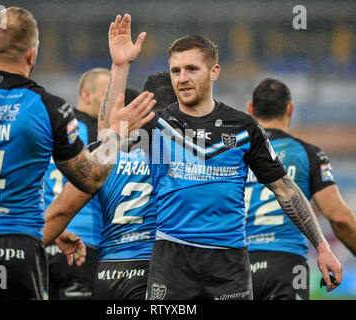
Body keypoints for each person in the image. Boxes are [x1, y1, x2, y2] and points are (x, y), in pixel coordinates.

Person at [98, 13, 343, 300]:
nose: (182, 78)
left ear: (214, 71)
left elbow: (285, 189)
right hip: (172, 263)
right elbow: (106, 138)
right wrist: (120, 65)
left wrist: (322, 247)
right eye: (175, 71)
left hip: (229, 267)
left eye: (191, 69)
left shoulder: (243, 127)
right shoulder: (157, 125)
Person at [0, 7, 155, 300]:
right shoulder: (49, 108)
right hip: (19, 250)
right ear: (32, 54)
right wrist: (116, 137)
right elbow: (91, 178)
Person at [44, 78, 177, 300]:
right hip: (152, 268)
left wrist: (17, 249)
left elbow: (60, 211)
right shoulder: (185, 150)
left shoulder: (104, 151)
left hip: (108, 270)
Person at [245, 78, 356, 300]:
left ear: (250, 109)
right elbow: (339, 218)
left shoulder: (235, 153)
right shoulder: (307, 154)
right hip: (285, 263)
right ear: (290, 109)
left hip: (237, 265)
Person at [45, 68, 110, 300]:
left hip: (45, 238)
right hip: (83, 246)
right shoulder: (99, 136)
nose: (111, 105)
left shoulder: (51, 127)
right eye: (107, 97)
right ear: (85, 96)